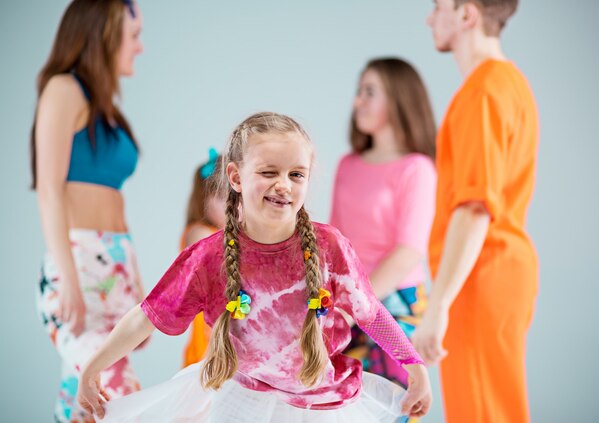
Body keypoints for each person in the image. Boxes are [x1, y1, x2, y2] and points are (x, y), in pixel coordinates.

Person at [77, 112, 433, 422]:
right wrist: (94, 367)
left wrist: (414, 365)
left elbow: (370, 314)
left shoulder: (330, 247)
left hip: (319, 404)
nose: (284, 184)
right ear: (235, 177)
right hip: (242, 399)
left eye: (297, 174)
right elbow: (146, 316)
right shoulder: (208, 256)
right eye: (268, 172)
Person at [413, 1, 539, 422]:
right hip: (495, 274)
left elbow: (474, 207)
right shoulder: (508, 83)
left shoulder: (482, 92)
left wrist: (438, 306)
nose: (430, 18)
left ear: (467, 14)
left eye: (438, 7)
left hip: (480, 278)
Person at [31, 0, 145, 421]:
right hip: (77, 268)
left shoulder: (106, 110)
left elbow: (116, 202)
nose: (140, 47)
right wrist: (70, 284)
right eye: (134, 36)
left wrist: (137, 287)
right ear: (105, 36)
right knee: (118, 400)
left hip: (115, 272)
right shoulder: (64, 89)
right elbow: (49, 190)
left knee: (83, 405)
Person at [330, 58, 437, 391]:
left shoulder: (416, 169)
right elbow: (333, 241)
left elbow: (408, 251)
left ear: (398, 100)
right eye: (358, 91)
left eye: (369, 92)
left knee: (395, 407)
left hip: (396, 304)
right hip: (346, 302)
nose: (357, 101)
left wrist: (355, 303)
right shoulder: (347, 165)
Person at [181, 148, 226, 367]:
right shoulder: (200, 233)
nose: (230, 205)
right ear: (203, 200)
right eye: (220, 197)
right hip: (207, 344)